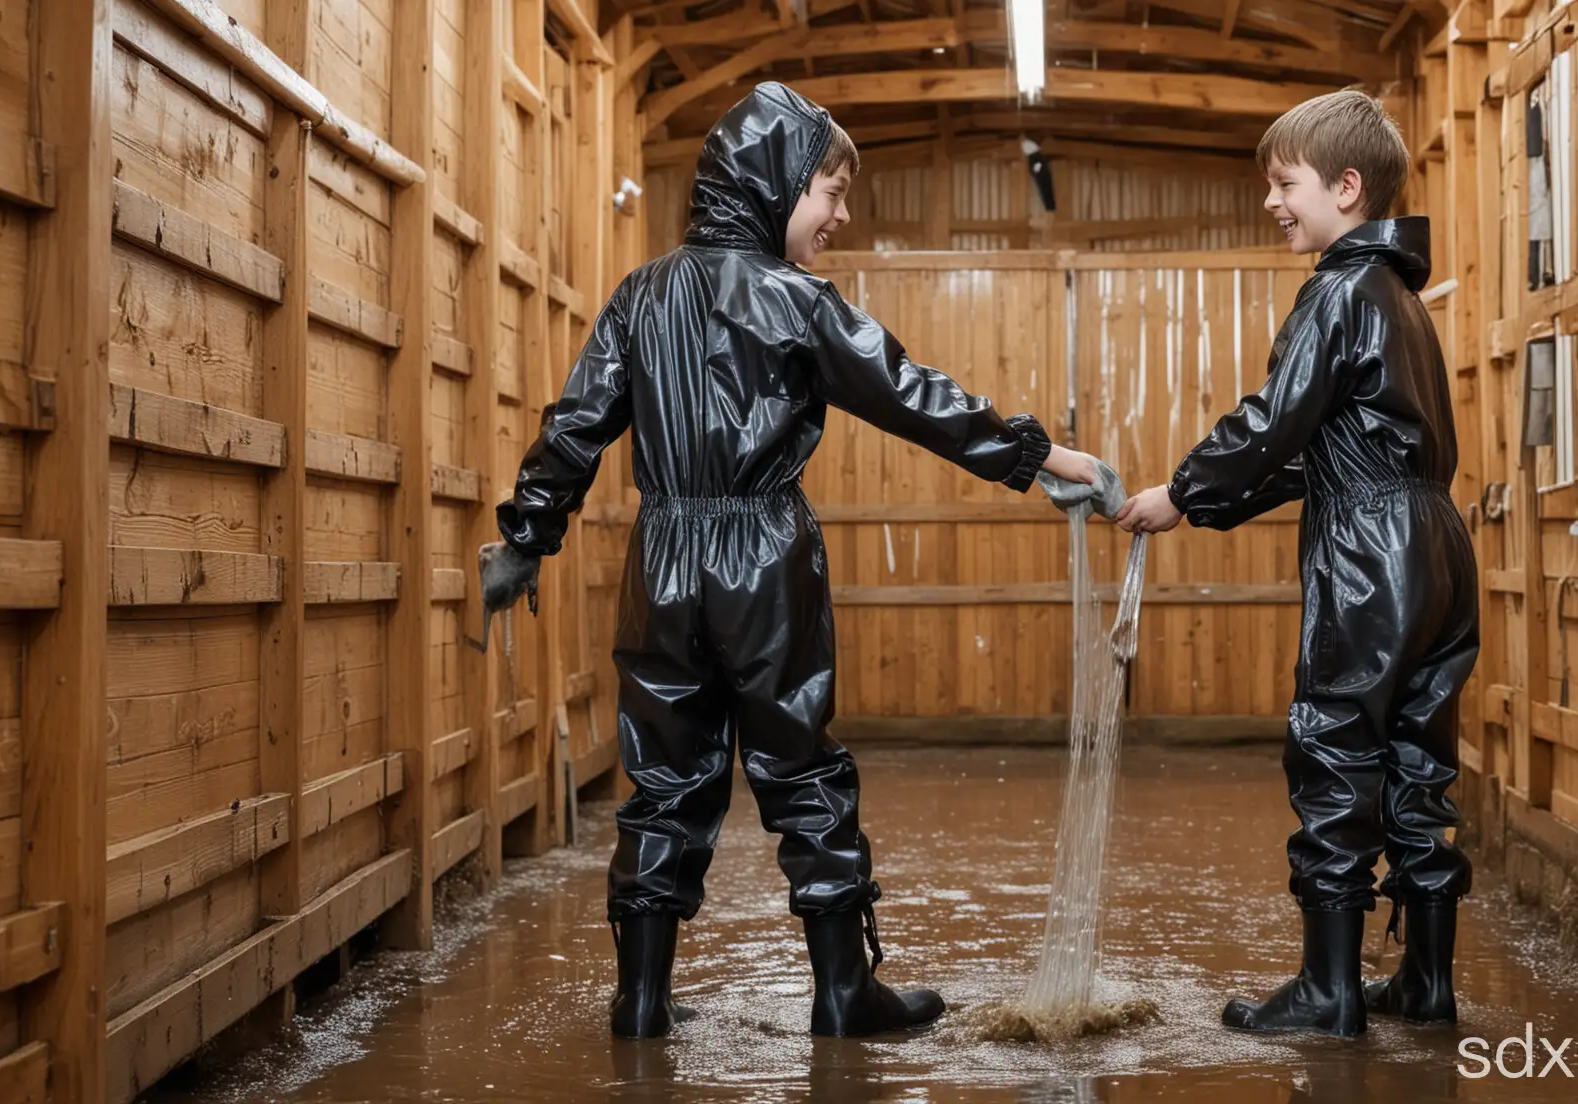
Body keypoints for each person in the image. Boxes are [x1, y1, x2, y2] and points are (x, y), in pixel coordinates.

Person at [478, 81, 1103, 1040]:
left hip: (664, 556)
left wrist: (526, 538)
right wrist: (1038, 456)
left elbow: (574, 428)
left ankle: (640, 1000)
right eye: (830, 192)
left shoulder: (638, 296)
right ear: (774, 184)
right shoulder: (797, 299)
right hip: (765, 557)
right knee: (801, 767)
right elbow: (910, 394)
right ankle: (843, 991)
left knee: (664, 778)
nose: (840, 217)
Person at [1115, 89, 1478, 1037]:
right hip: (1437, 545)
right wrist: (1206, 508)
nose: (1273, 202)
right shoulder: (1403, 299)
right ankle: (1428, 986)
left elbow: (1274, 424)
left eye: (1285, 183)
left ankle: (1329, 993)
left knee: (1334, 745)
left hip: (1369, 554)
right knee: (1416, 756)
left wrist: (1182, 491)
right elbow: (1331, 452)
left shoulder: (1336, 290)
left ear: (1346, 187)